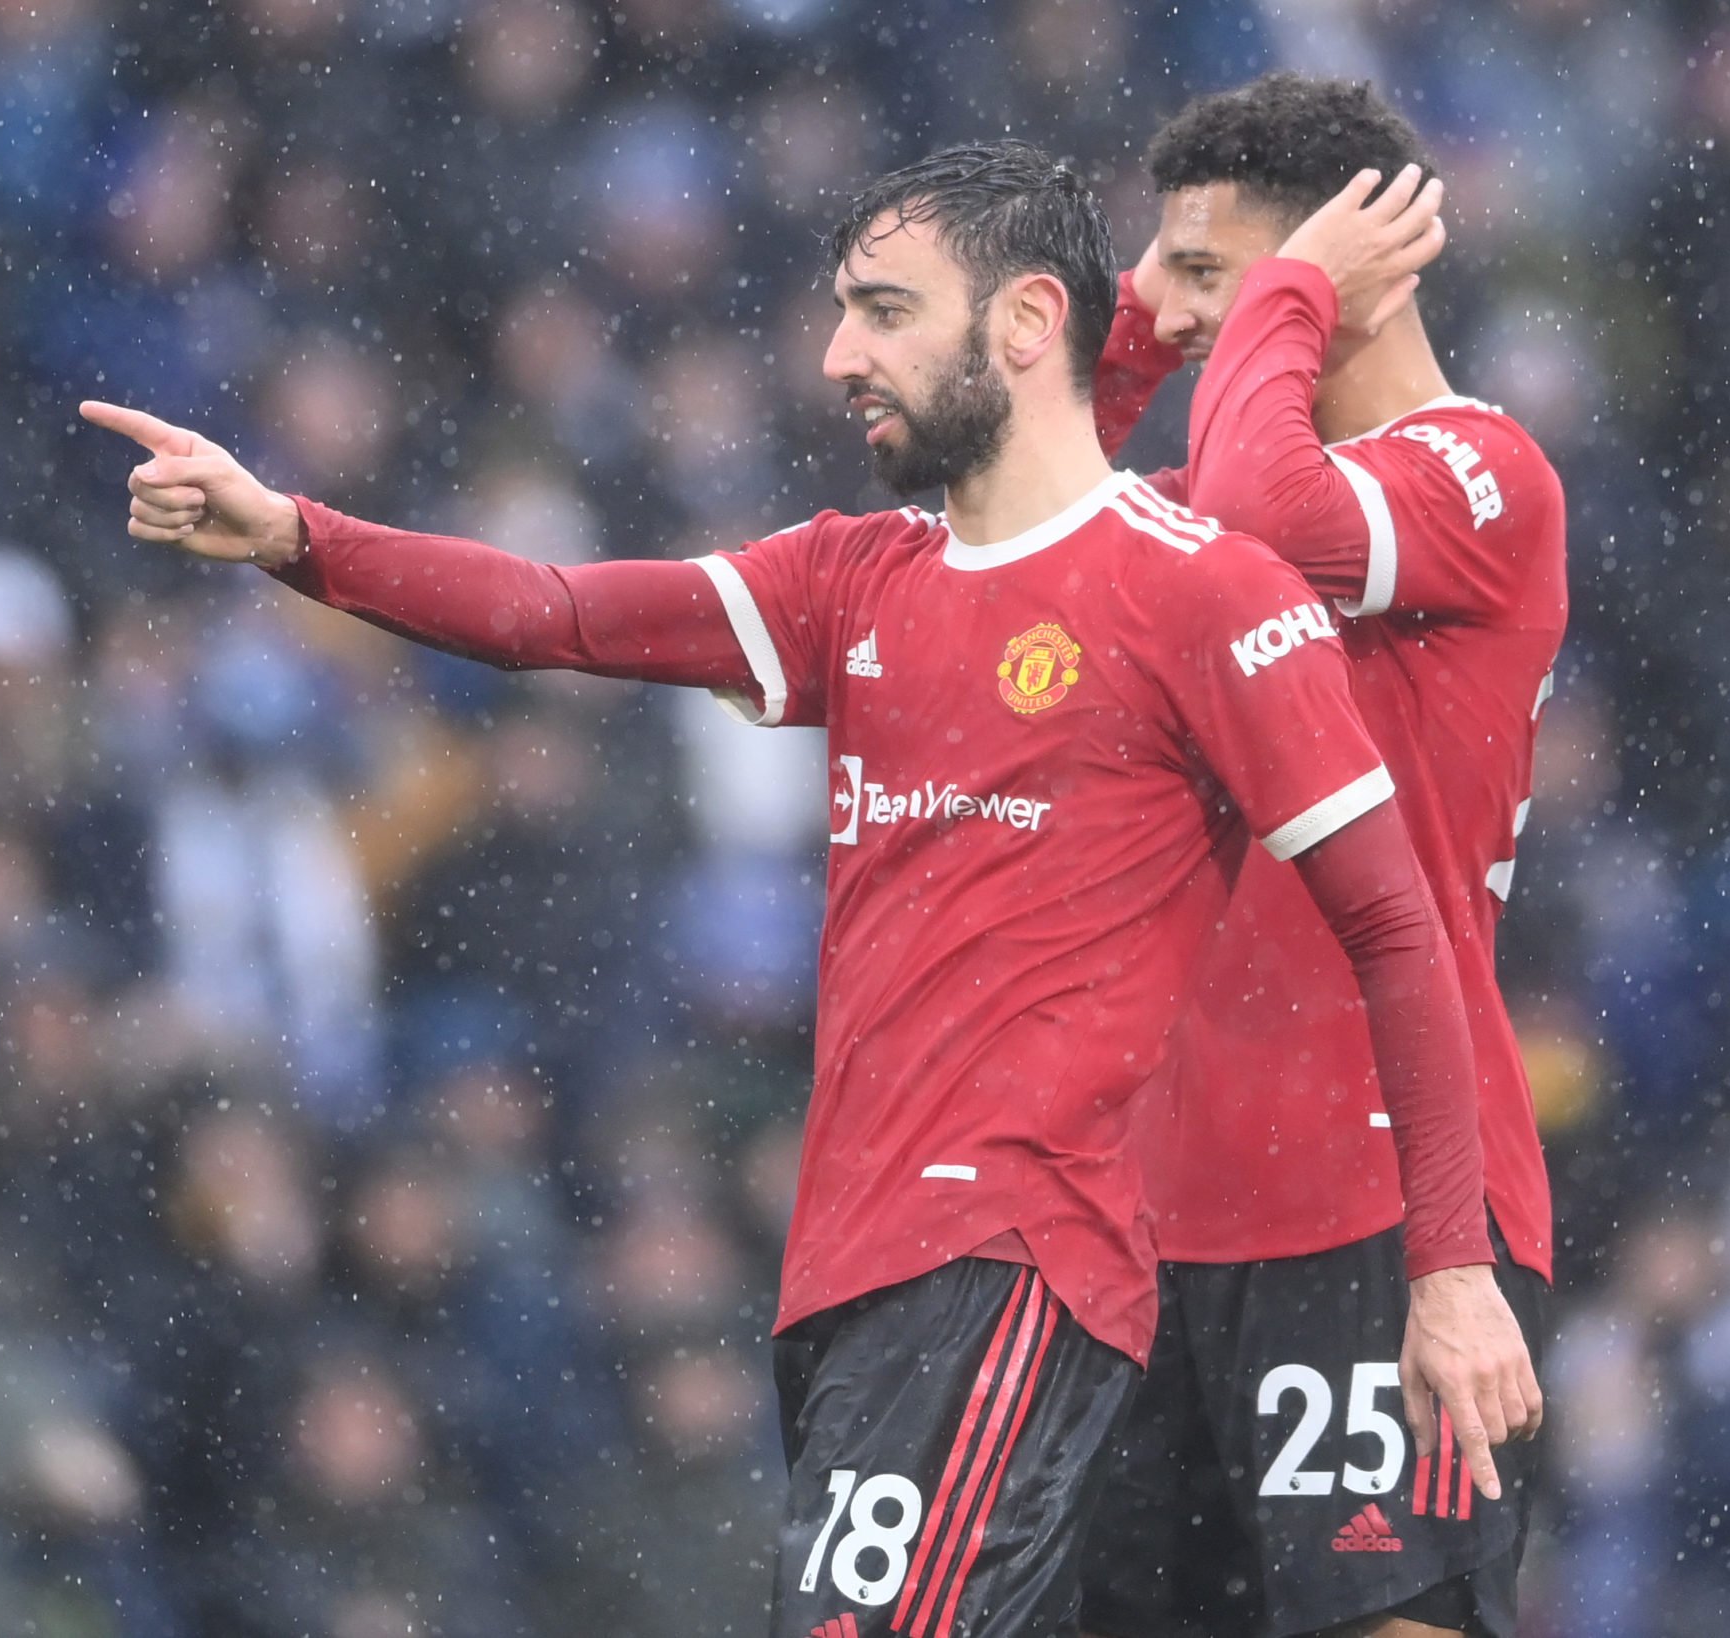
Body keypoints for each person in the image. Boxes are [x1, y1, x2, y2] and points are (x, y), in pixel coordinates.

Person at [82, 141, 1524, 1638]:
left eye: (885, 309)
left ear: (1026, 324)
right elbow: (558, 614)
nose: (840, 355)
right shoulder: (852, 579)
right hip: (849, 1275)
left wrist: (1449, 1268)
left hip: (1013, 1262)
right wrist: (296, 536)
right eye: (843, 311)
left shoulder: (1204, 589)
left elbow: (1394, 925)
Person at [1079, 75, 1563, 1638]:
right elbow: (1018, 517)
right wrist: (1147, 324)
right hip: (1158, 1213)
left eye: (1211, 277)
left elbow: (1253, 500)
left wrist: (1276, 296)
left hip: (1387, 1199)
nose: (1187, 314)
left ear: (1356, 267)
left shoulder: (1484, 477)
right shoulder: (1185, 505)